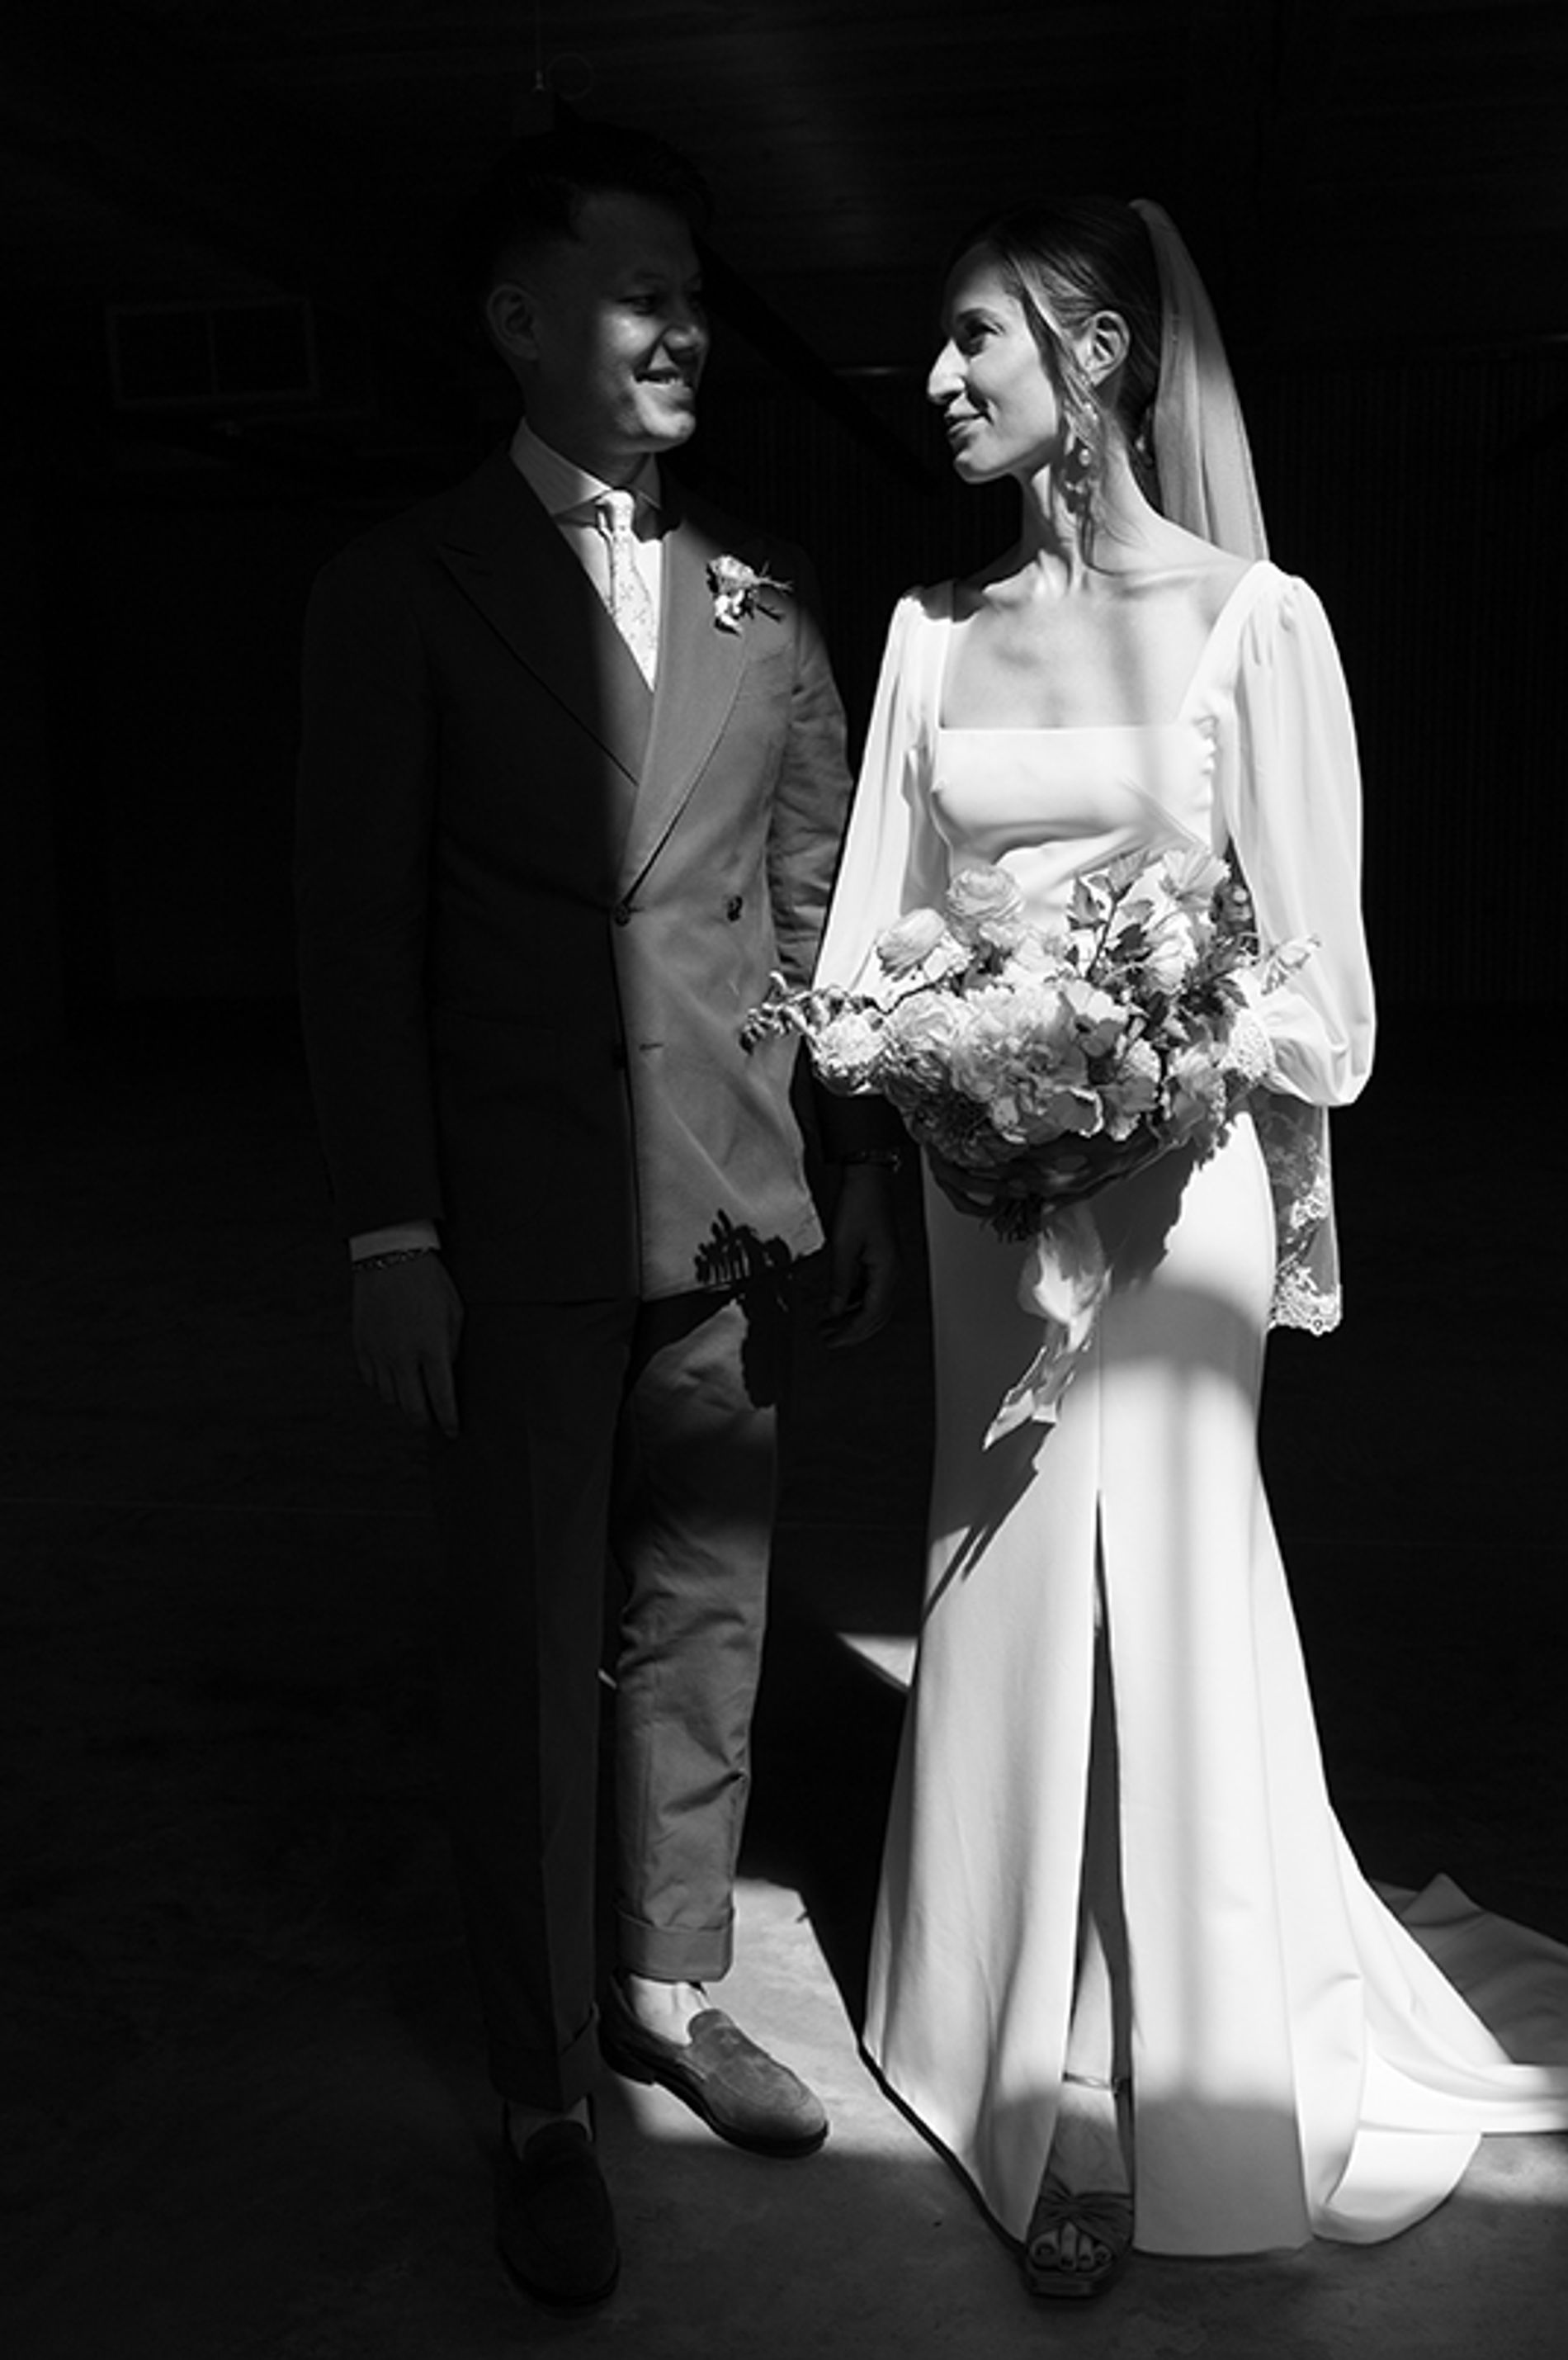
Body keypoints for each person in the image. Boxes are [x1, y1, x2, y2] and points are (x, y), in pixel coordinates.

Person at [814, 195, 1568, 2297]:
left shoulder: (1258, 623)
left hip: (1178, 1185)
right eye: (935, 347)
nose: (935, 380)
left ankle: (1190, 2035)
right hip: (985, 1189)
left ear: (1094, 357)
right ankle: (1003, 2026)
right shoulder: (924, 635)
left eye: (974, 338)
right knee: (996, 1563)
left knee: (1162, 1567)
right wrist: (957, 1063)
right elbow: (863, 946)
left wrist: (1142, 1053)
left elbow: (1323, 995)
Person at [295, 121, 898, 2310]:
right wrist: (393, 1238)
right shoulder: (402, 588)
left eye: (696, 299)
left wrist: (851, 1163)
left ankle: (665, 1983)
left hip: (733, 1211)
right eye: (640, 293)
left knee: (705, 1622)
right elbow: (356, 936)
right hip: (516, 1224)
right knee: (528, 1657)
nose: (685, 334)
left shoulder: (760, 587)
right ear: (518, 319)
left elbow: (818, 906)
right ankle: (545, 2089)